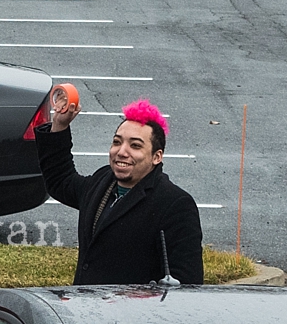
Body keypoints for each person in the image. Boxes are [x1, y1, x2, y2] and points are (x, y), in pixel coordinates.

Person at [35, 95, 203, 285]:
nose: (122, 151)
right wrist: (60, 125)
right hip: (84, 309)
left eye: (135, 145)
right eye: (117, 142)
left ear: (157, 157)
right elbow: (60, 181)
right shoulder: (102, 181)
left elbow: (189, 284)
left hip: (132, 314)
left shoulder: (175, 204)